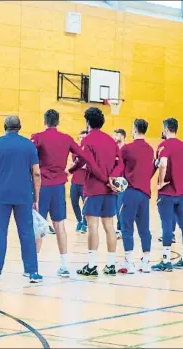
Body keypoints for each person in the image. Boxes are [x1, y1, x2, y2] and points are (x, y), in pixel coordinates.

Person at [31, 109, 106, 277]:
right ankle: (64, 265)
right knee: (59, 226)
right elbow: (84, 156)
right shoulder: (66, 138)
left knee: (38, 226)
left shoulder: (38, 137)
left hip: (41, 187)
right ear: (58, 122)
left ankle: (33, 267)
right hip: (58, 187)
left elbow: (28, 154)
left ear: (45, 121)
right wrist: (71, 169)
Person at [0, 116, 43, 283]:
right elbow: (36, 173)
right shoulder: (29, 145)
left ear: (4, 127)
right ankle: (32, 272)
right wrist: (36, 197)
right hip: (24, 195)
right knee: (26, 233)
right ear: (20, 127)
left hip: (1, 196)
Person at [69, 107, 124, 276]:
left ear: (87, 122)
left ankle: (92, 266)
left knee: (92, 226)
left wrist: (103, 179)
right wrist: (112, 178)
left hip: (94, 188)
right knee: (109, 226)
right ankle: (110, 265)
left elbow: (89, 164)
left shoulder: (87, 141)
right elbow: (120, 163)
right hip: (110, 190)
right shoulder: (110, 140)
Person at [153, 118, 183, 272]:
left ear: (166, 129)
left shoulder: (163, 145)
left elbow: (163, 163)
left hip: (166, 193)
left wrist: (160, 181)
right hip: (180, 193)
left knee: (167, 225)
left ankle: (166, 261)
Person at [118, 119, 154, 274]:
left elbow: (119, 168)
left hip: (130, 191)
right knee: (144, 228)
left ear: (134, 129)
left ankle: (129, 261)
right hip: (145, 193)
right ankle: (146, 261)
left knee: (127, 227)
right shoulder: (150, 149)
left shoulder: (127, 148)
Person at [69, 130, 88, 234]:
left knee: (86, 204)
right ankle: (79, 221)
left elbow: (88, 166)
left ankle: (85, 224)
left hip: (85, 183)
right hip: (75, 182)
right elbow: (74, 164)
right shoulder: (75, 151)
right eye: (80, 137)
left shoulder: (90, 151)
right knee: (74, 202)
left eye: (83, 137)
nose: (81, 139)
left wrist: (80, 165)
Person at [113, 128, 127, 240]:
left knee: (120, 207)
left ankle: (121, 229)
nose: (114, 137)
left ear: (122, 136)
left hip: (124, 183)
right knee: (116, 208)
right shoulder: (114, 150)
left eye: (116, 135)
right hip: (113, 182)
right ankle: (121, 228)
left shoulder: (127, 149)